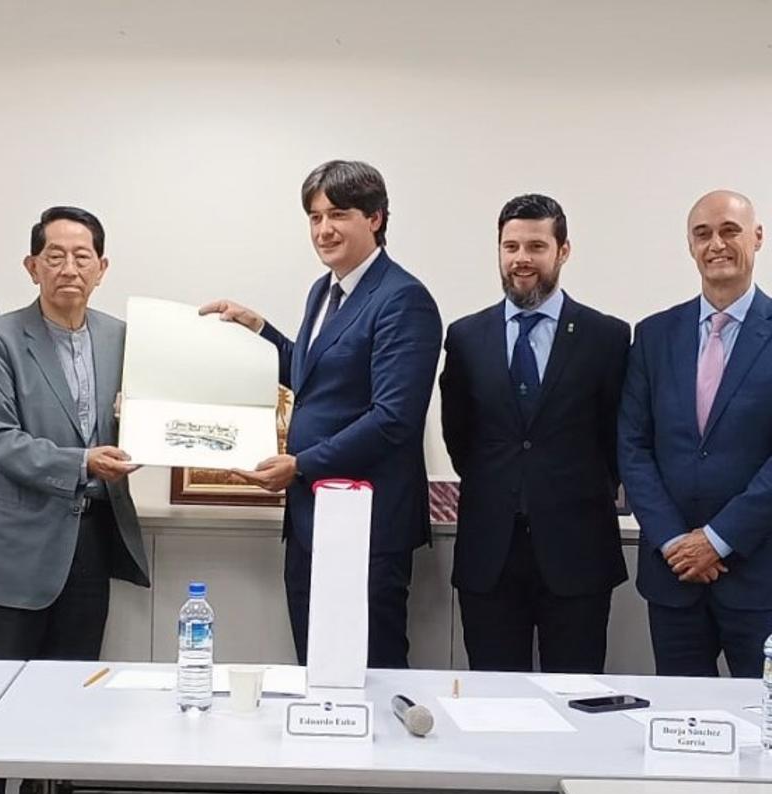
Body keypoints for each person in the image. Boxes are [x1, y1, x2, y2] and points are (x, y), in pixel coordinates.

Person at [201, 160, 442, 668]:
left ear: (375, 218)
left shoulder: (403, 299)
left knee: (366, 670)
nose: (323, 230)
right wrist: (258, 328)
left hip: (366, 521)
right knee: (316, 668)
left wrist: (301, 464)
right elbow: (315, 378)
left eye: (338, 214)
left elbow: (394, 417)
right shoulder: (323, 290)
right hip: (312, 516)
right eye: (314, 217)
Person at [0, 206, 150, 794]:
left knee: (67, 705)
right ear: (31, 265)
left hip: (90, 542)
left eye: (82, 255)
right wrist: (82, 461)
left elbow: (163, 413)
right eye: (55, 255)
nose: (69, 267)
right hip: (11, 547)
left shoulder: (126, 338)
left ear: (102, 267)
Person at [439, 194, 629, 673]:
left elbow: (617, 439)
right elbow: (459, 436)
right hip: (490, 553)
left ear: (562, 251)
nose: (521, 258)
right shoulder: (466, 337)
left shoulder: (606, 337)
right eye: (511, 246)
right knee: (493, 702)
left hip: (578, 552)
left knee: (578, 697)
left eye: (536, 246)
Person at [619, 189, 772, 678]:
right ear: (690, 246)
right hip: (674, 577)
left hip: (758, 576)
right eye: (702, 234)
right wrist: (672, 542)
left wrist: (718, 539)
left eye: (730, 230)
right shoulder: (654, 335)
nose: (716, 245)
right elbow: (633, 446)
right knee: (683, 732)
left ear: (758, 237)